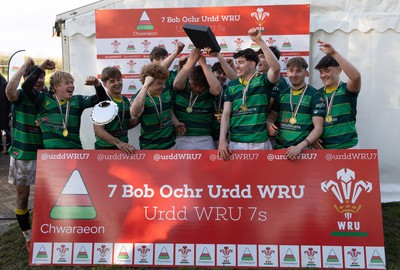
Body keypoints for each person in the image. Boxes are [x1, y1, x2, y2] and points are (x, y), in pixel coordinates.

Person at [5, 58, 52, 252]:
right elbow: (9, 91)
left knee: (48, 195)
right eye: (36, 76)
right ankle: (28, 235)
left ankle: (48, 230)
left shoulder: (47, 96)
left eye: (42, 76)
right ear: (27, 77)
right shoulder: (21, 93)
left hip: (46, 155)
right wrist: (25, 66)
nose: (40, 80)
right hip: (23, 154)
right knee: (23, 195)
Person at [218, 28, 281, 160]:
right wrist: (222, 140)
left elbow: (275, 68)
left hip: (260, 142)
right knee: (238, 180)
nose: (237, 66)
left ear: (252, 64)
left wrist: (259, 41)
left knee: (263, 180)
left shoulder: (263, 80)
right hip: (236, 143)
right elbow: (226, 114)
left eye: (241, 62)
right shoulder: (232, 85)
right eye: (236, 63)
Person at [22, 64, 108, 149]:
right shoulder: (44, 99)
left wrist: (97, 84)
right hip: (51, 156)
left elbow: (102, 99)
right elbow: (26, 87)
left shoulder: (78, 101)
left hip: (74, 153)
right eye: (67, 83)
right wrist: (42, 67)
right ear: (56, 87)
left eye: (72, 83)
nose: (71, 86)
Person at [267, 57, 325, 160]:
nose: (294, 74)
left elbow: (318, 127)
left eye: (298, 71)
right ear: (287, 73)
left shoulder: (315, 95)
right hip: (281, 150)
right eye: (291, 71)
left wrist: (300, 146)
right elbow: (270, 118)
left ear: (305, 73)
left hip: (303, 151)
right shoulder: (282, 94)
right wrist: (269, 124)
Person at [313, 39, 362, 149]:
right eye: (321, 72)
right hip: (325, 150)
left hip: (348, 148)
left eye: (327, 70)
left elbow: (356, 77)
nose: (323, 75)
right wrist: (313, 136)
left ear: (339, 70)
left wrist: (333, 53)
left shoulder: (347, 89)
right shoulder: (317, 94)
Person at [173, 48, 222, 150]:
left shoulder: (208, 91)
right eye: (195, 85)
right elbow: (176, 84)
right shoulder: (183, 87)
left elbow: (217, 90)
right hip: (182, 137)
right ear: (189, 79)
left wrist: (204, 64)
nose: (198, 88)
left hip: (205, 139)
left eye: (201, 86)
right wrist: (192, 59)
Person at [91, 67, 138, 154]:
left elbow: (126, 124)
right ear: (104, 84)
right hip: (105, 150)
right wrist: (118, 143)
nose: (117, 83)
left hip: (123, 149)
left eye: (119, 79)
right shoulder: (103, 102)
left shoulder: (124, 100)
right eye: (112, 81)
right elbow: (98, 130)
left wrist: (140, 116)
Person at [131, 63, 176, 149]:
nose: (163, 86)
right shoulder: (139, 97)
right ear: (148, 81)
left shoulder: (165, 92)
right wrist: (145, 86)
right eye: (159, 83)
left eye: (164, 83)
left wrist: (176, 124)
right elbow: (135, 113)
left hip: (170, 145)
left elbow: (169, 110)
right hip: (150, 148)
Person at [0, 74, 11, 153]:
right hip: (3, 109)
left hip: (4, 110)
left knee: (7, 129)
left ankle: (8, 146)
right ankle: (3, 146)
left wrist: (10, 111)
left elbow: (9, 97)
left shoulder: (4, 82)